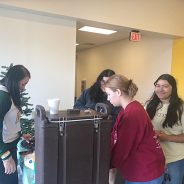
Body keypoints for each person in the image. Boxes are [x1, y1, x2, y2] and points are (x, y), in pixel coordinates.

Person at [104, 74, 165, 184]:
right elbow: (115, 135)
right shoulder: (129, 109)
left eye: (108, 94)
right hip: (142, 169)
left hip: (145, 173)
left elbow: (123, 148)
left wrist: (106, 164)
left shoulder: (132, 114)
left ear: (118, 92)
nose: (107, 98)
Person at [145, 74, 184, 184]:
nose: (160, 89)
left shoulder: (181, 107)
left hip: (175, 159)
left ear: (173, 88)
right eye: (158, 85)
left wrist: (166, 137)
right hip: (153, 158)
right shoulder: (149, 105)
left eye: (165, 86)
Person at [0, 65, 31, 184]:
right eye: (23, 84)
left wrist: (20, 134)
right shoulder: (2, 97)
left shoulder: (9, 92)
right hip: (4, 150)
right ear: (14, 81)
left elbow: (10, 121)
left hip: (10, 146)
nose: (24, 88)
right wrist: (5, 156)